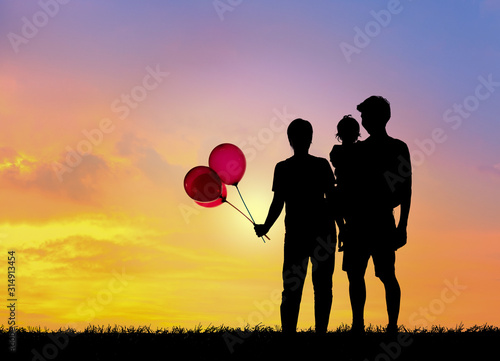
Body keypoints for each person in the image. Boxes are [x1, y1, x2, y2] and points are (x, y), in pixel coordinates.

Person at [254, 118, 337, 335]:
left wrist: (266, 226)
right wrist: (266, 226)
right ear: (309, 138)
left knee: (296, 287)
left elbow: (278, 202)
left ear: (290, 139)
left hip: (301, 235)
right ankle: (316, 334)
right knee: (320, 287)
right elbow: (332, 199)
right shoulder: (318, 165)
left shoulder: (284, 168)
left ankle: (291, 335)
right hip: (318, 233)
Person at [340, 96, 412, 335]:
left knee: (386, 274)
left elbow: (406, 189)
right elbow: (348, 188)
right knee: (356, 274)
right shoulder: (359, 150)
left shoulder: (397, 147)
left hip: (379, 219)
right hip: (360, 220)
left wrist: (402, 226)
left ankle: (391, 326)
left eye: (365, 115)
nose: (362, 120)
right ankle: (358, 325)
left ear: (378, 117)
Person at [329, 115, 361, 252]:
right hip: (347, 198)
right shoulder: (339, 151)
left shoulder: (338, 151)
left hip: (354, 199)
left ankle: (343, 230)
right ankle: (343, 229)